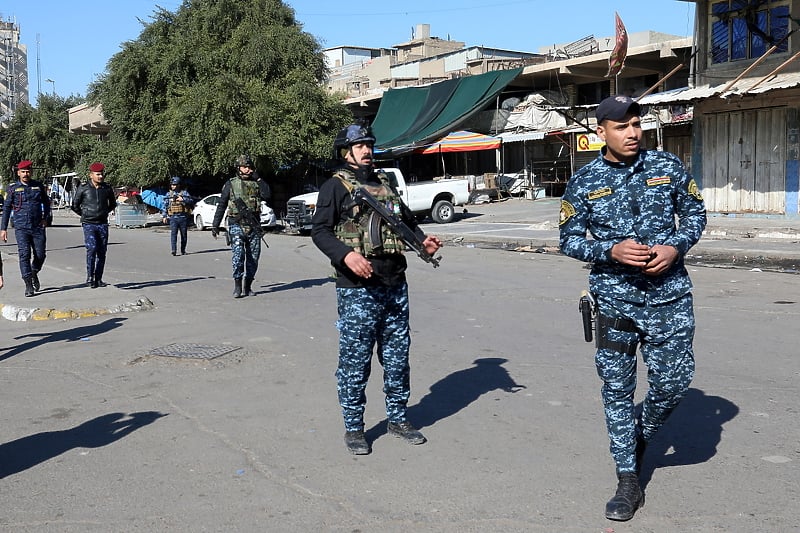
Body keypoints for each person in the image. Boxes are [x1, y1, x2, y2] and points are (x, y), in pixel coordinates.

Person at [559, 95, 707, 521]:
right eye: (622, 126)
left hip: (670, 297)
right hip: (614, 300)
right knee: (617, 390)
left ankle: (638, 434)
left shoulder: (667, 167)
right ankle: (627, 478)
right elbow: (568, 239)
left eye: (636, 124)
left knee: (675, 381)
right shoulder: (584, 181)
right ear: (600, 132)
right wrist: (609, 249)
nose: (633, 133)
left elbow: (695, 213)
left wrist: (676, 245)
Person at [311, 124, 442, 455]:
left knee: (397, 358)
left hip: (394, 282)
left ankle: (398, 419)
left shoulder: (383, 184)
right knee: (356, 360)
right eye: (360, 146)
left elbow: (406, 223)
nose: (367, 150)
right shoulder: (335, 187)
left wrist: (422, 243)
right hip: (358, 288)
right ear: (347, 152)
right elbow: (320, 232)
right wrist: (347, 255)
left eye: (369, 144)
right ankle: (354, 428)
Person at [211, 154, 271, 298]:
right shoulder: (230, 184)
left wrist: (259, 178)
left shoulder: (257, 182)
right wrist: (215, 225)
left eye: (250, 167)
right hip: (236, 224)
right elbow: (222, 205)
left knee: (253, 258)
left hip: (254, 227)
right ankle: (237, 286)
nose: (248, 170)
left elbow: (267, 195)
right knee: (238, 256)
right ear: (239, 168)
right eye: (245, 167)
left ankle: (247, 286)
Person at [0, 160, 51, 297]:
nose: (25, 174)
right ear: (18, 173)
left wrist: (46, 217)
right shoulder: (12, 189)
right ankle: (28, 284)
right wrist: (3, 228)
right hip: (21, 227)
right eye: (23, 171)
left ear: (31, 172)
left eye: (28, 171)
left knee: (40, 254)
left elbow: (47, 203)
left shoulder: (38, 186)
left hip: (38, 227)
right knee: (24, 255)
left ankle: (34, 271)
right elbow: (6, 208)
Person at [71, 162, 116, 288]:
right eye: (97, 174)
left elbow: (112, 204)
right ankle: (90, 276)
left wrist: (103, 213)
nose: (100, 176)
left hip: (102, 224)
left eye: (101, 174)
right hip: (89, 224)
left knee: (102, 252)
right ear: (91, 175)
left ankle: (98, 278)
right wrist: (85, 215)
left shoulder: (106, 188)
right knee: (92, 249)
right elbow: (74, 205)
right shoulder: (84, 188)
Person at [161, 176, 194, 256]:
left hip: (183, 217)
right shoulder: (169, 194)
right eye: (172, 185)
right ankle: (174, 250)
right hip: (173, 217)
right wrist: (164, 216)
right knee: (173, 234)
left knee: (184, 235)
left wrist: (183, 200)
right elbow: (165, 205)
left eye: (175, 185)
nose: (173, 186)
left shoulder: (184, 193)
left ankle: (183, 250)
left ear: (178, 185)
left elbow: (191, 201)